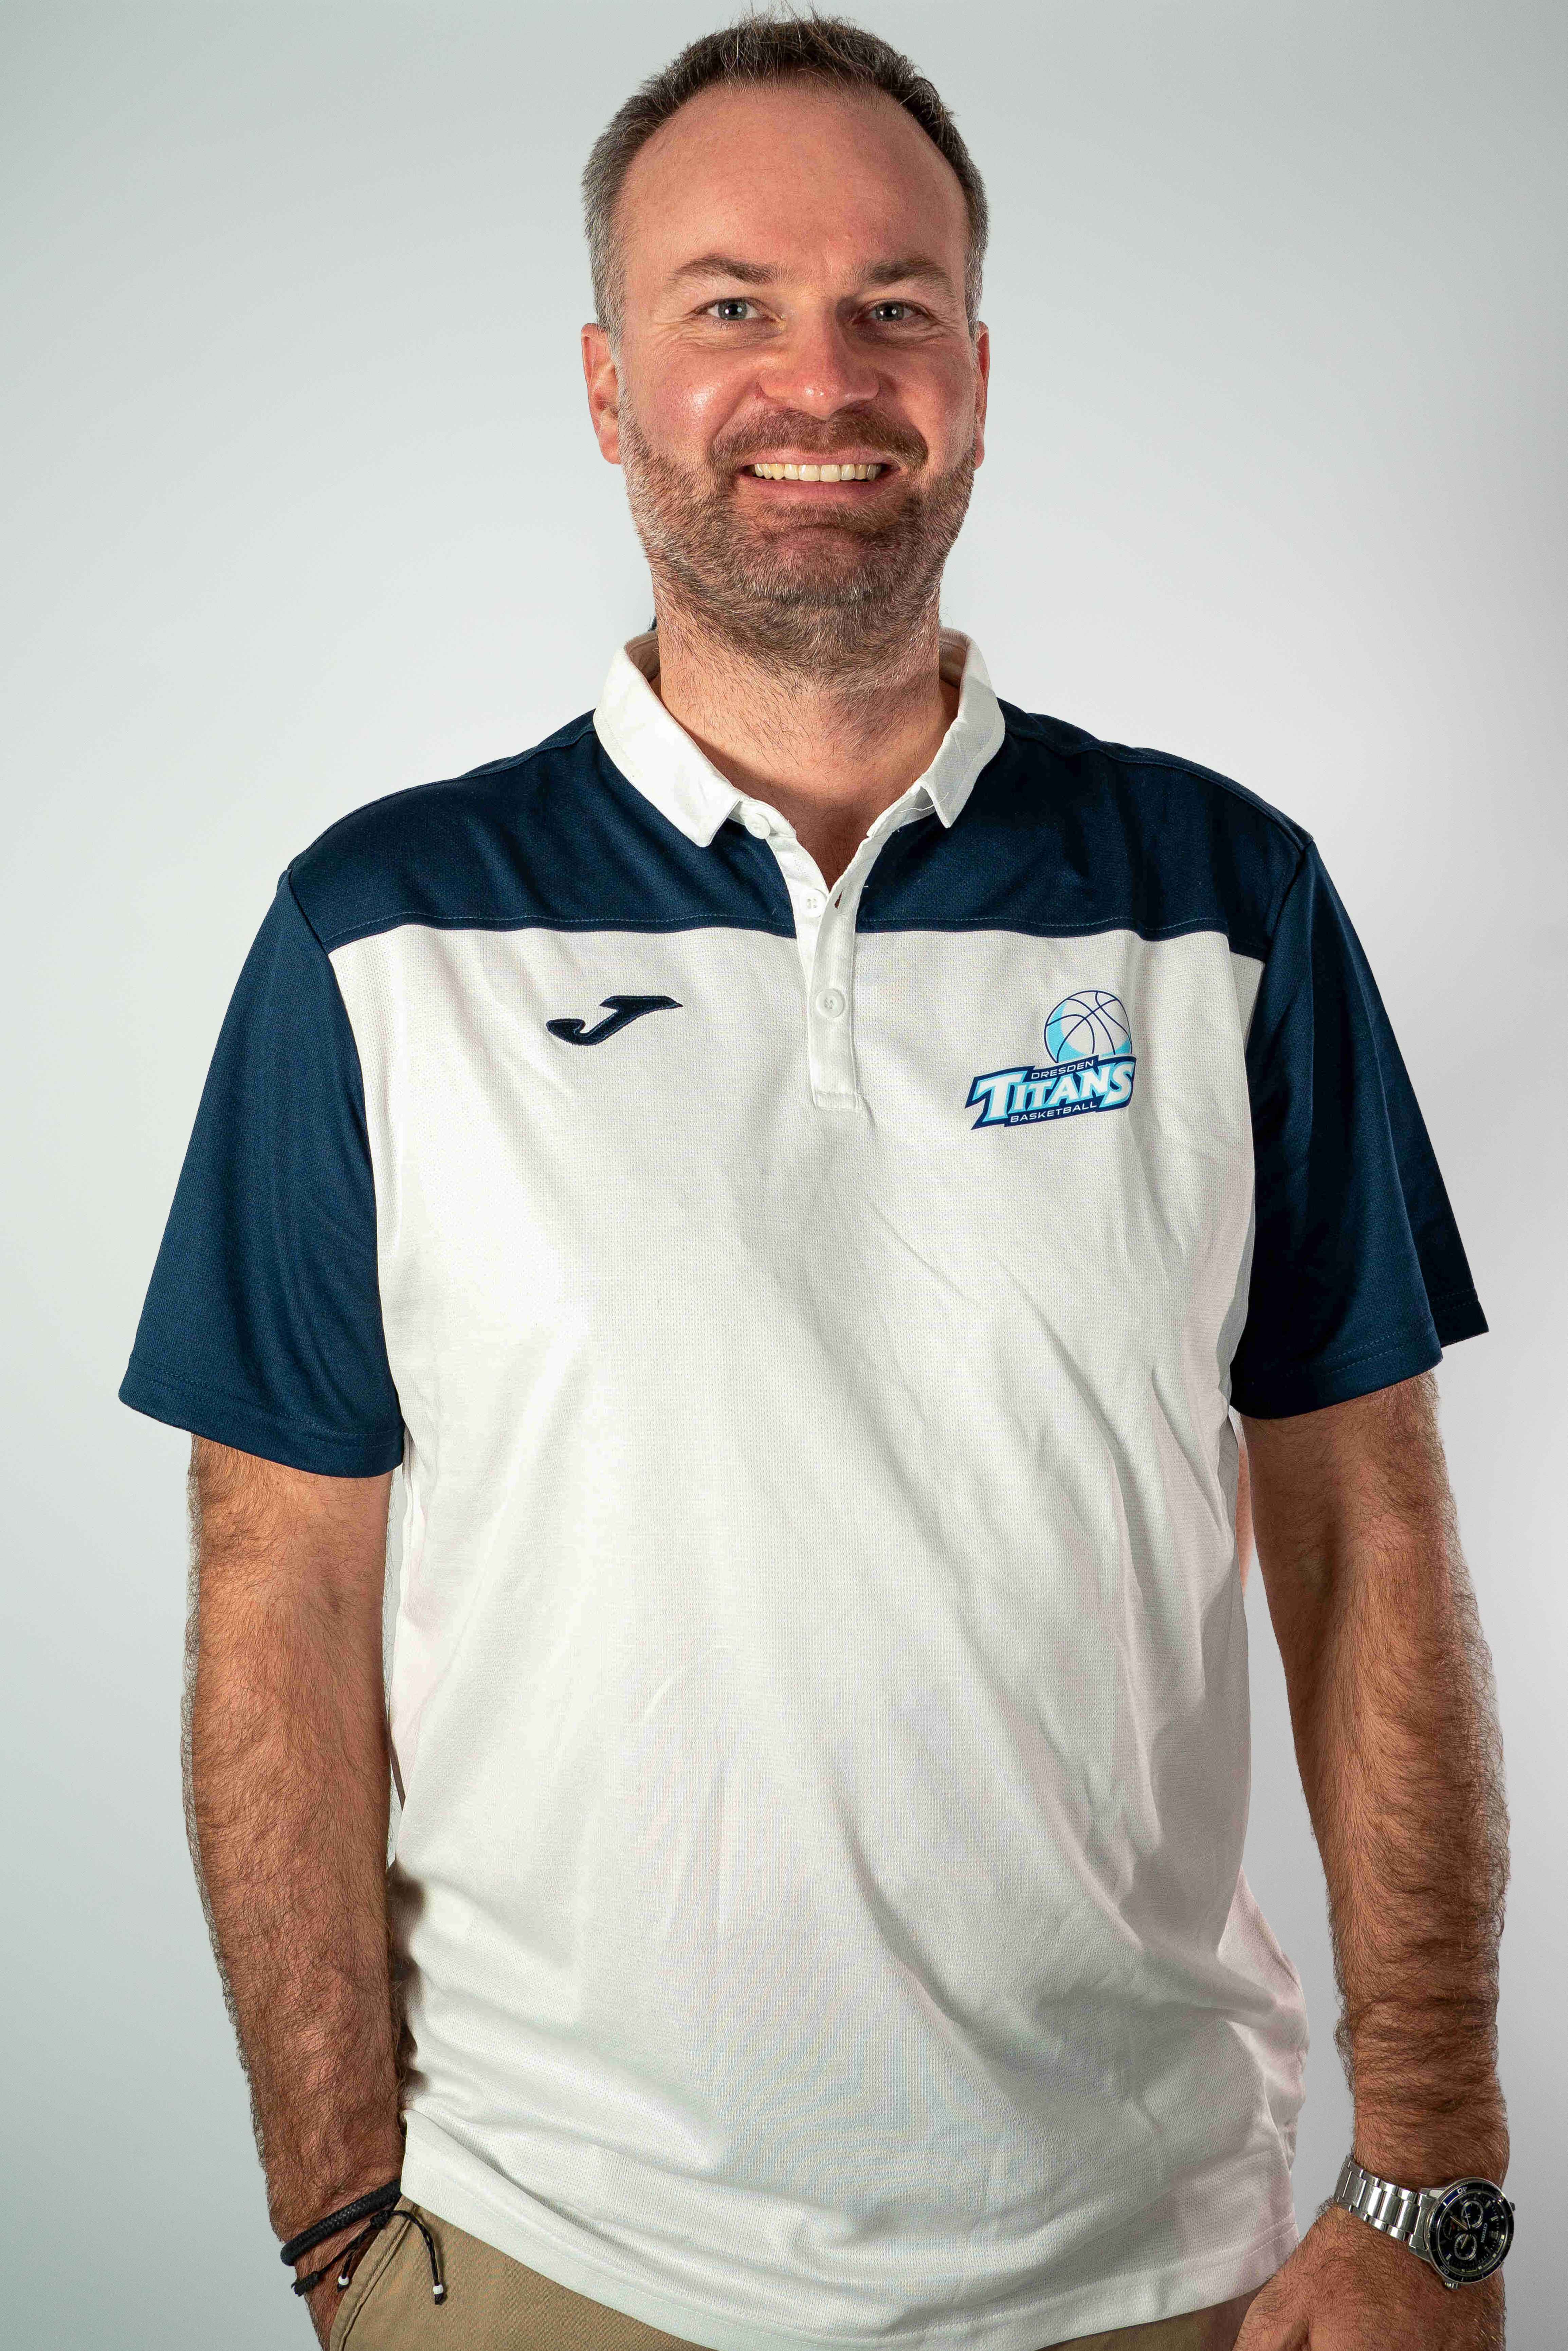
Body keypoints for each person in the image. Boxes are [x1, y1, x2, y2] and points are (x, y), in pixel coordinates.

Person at [120, 16, 1512, 2351]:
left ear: (977, 374)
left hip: (1162, 2266)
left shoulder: (1227, 904)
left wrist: (1439, 2179)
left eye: (893, 305)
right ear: (607, 387)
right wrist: (344, 2233)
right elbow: (278, 1599)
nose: (821, 379)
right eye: (729, 305)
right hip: (552, 2260)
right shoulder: (378, 935)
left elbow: (1369, 1535)